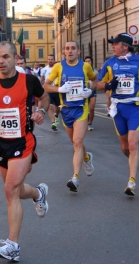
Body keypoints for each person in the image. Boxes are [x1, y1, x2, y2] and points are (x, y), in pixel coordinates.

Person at [0, 41, 50, 262]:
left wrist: (40, 110)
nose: (1, 61)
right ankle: (38, 193)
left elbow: (44, 97)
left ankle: (13, 246)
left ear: (15, 58)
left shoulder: (29, 81)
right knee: (14, 191)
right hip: (1, 143)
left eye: (5, 57)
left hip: (23, 141)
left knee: (9, 190)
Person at [97, 33, 139, 196]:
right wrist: (108, 84)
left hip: (135, 107)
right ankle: (133, 160)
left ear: (124, 46)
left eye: (115, 44)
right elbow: (97, 82)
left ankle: (132, 182)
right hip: (118, 109)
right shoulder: (110, 62)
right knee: (125, 147)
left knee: (132, 145)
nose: (112, 46)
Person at [44, 41, 97, 192]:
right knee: (76, 144)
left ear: (78, 51)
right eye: (67, 48)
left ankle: (75, 178)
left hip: (81, 109)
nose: (70, 51)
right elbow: (46, 85)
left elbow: (94, 80)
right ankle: (87, 158)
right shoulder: (58, 67)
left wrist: (89, 91)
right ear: (64, 52)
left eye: (73, 48)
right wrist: (59, 88)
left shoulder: (85, 66)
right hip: (66, 110)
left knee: (78, 141)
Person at [40, 54, 60, 131]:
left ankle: (57, 116)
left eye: (52, 59)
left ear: (54, 60)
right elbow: (42, 79)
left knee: (57, 108)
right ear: (47, 60)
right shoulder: (44, 69)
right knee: (50, 107)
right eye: (49, 59)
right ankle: (53, 123)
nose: (50, 60)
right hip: (48, 90)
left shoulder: (58, 68)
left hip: (56, 89)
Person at [84, 56, 98, 131]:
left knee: (92, 108)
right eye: (86, 61)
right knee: (85, 108)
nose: (88, 62)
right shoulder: (82, 71)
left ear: (91, 62)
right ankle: (85, 123)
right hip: (85, 91)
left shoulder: (95, 72)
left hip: (92, 91)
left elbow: (96, 82)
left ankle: (90, 123)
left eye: (89, 61)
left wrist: (92, 88)